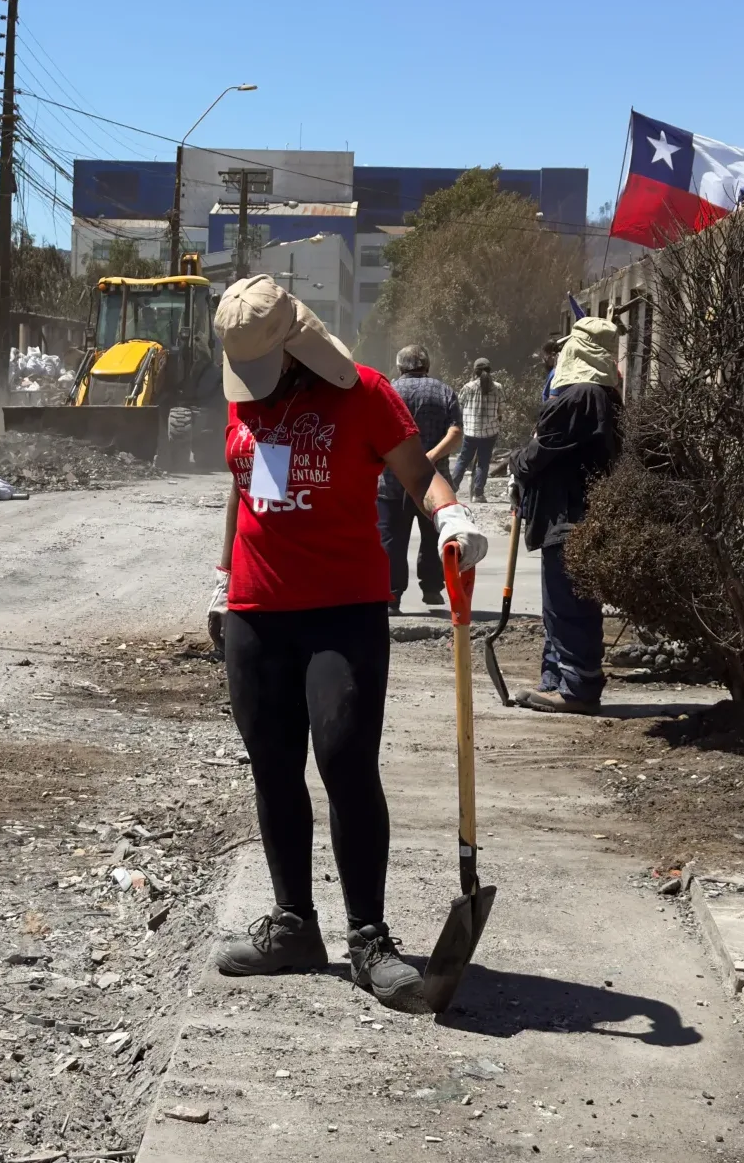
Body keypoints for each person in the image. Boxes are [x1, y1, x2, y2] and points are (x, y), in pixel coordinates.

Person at [202, 277, 487, 1013]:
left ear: (293, 347)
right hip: (257, 611)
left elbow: (418, 474)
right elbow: (245, 486)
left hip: (343, 610)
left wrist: (450, 520)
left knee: (344, 761)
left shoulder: (365, 394)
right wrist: (221, 579)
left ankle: (368, 938)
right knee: (273, 767)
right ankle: (294, 925)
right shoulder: (247, 397)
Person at [507, 315, 623, 715]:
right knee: (562, 604)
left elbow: (539, 453)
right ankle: (556, 678)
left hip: (569, 516)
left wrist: (517, 461)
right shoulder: (603, 396)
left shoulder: (580, 398)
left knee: (569, 604)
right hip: (580, 514)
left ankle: (577, 687)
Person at [375, 345, 462, 611]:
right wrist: (431, 456)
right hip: (434, 483)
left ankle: (392, 595)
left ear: (400, 366)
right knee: (434, 535)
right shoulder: (444, 391)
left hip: (392, 482)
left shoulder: (388, 392)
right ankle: (432, 588)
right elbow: (456, 433)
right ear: (427, 365)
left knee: (392, 539)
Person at [452, 357, 503, 501]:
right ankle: (478, 494)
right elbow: (501, 410)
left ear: (475, 371)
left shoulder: (468, 387)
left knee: (463, 460)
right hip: (490, 432)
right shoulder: (498, 387)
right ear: (490, 371)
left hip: (470, 432)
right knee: (483, 462)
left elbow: (459, 407)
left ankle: (451, 489)